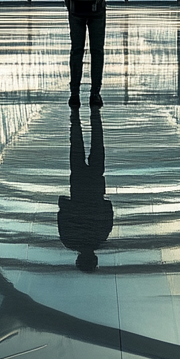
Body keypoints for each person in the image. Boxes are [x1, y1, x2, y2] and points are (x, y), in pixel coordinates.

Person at [58, 110, 113, 272]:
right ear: (78, 259)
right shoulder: (69, 240)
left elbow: (108, 210)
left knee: (97, 144)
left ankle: (95, 115)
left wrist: (101, 203)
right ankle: (75, 117)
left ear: (94, 258)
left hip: (96, 186)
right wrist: (66, 204)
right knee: (76, 145)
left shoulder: (101, 238)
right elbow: (62, 216)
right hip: (78, 186)